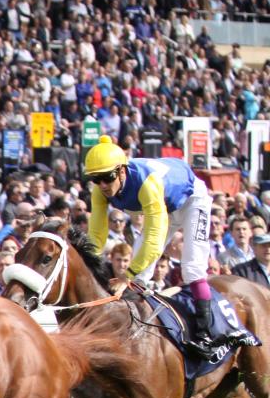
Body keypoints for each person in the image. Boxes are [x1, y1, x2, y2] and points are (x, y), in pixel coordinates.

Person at [84, 136, 257, 357]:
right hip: (165, 204)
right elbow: (97, 234)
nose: (103, 185)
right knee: (141, 271)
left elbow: (154, 241)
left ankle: (207, 334)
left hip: (192, 200)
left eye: (107, 178)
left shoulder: (147, 183)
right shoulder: (99, 190)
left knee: (192, 267)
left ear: (121, 171)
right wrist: (87, 260)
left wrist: (127, 275)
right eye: (95, 179)